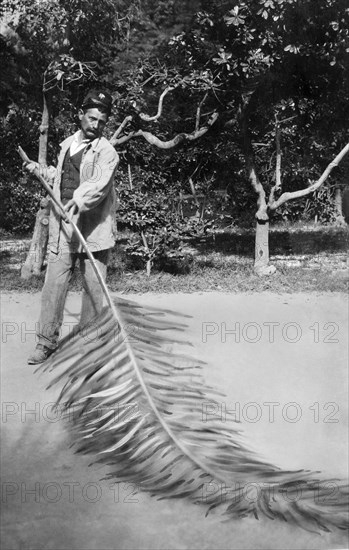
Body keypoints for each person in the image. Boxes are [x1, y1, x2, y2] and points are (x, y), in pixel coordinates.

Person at [24, 90, 119, 364]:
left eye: (101, 121)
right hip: (62, 231)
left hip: (93, 232)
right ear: (80, 114)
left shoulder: (107, 152)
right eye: (91, 118)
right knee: (53, 287)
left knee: (92, 289)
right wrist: (39, 170)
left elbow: (96, 187)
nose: (95, 125)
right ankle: (45, 342)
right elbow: (61, 177)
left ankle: (89, 346)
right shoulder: (67, 145)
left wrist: (76, 202)